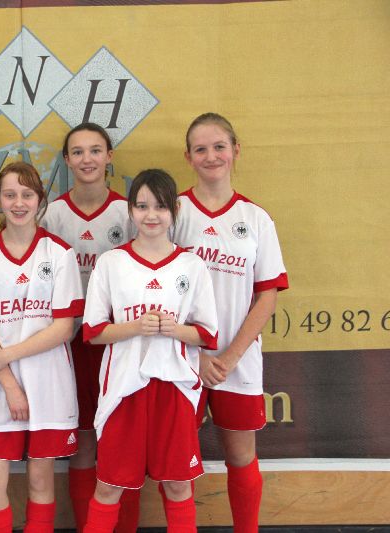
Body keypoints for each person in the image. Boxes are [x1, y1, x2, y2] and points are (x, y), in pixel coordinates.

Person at [82, 169, 218, 533]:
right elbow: (93, 332)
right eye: (142, 206)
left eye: (160, 206)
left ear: (175, 210)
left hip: (174, 388)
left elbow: (207, 333)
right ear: (130, 210)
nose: (151, 215)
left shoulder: (192, 265)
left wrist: (175, 330)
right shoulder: (111, 262)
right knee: (109, 486)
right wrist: (135, 327)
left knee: (178, 485)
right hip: (124, 388)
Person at [173, 113, 289, 533]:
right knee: (177, 461)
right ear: (188, 156)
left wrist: (229, 357)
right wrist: (198, 356)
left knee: (241, 456)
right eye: (201, 149)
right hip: (181, 358)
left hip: (236, 362)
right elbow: (157, 289)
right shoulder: (174, 212)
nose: (211, 156)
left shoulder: (255, 218)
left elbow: (267, 295)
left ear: (236, 150)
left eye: (219, 146)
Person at [0, 161, 84, 533]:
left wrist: (8, 355)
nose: (18, 203)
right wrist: (10, 385)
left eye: (26, 194)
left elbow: (63, 328)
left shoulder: (59, 253)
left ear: (40, 200)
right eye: (9, 195)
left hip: (47, 381)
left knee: (40, 479)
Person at [39, 123, 136, 532]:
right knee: (82, 444)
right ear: (66, 160)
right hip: (70, 341)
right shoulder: (52, 215)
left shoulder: (128, 213)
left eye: (95, 150)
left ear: (109, 156)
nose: (87, 159)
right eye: (77, 152)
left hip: (119, 342)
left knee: (123, 445)